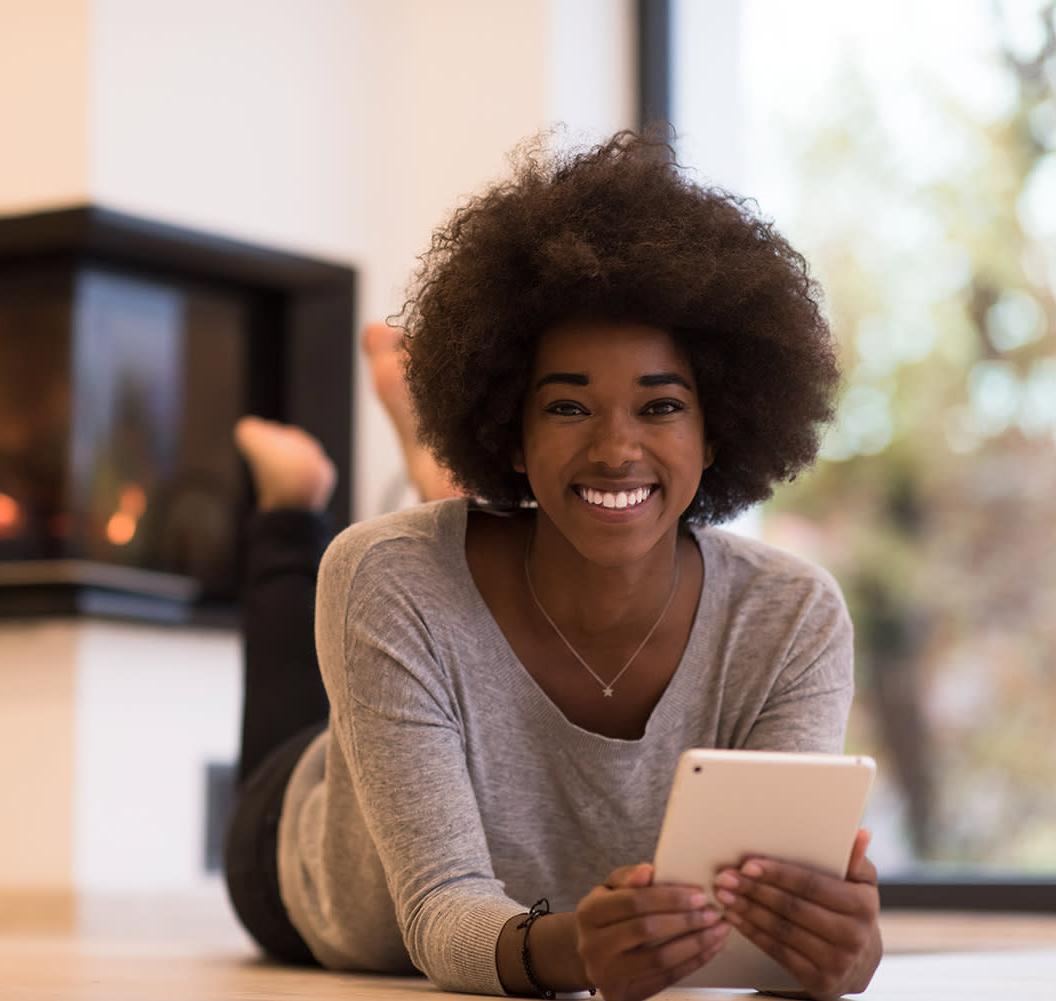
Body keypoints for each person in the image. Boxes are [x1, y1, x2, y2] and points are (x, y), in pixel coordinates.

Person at [224, 129, 880, 1001]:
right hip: (306, 865)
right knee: (316, 650)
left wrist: (831, 952)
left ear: (716, 427)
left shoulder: (790, 616)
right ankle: (289, 503)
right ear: (510, 425)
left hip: (474, 592)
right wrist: (569, 952)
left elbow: (762, 933)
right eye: (567, 404)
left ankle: (436, 479)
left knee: (450, 555)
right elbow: (436, 912)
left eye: (661, 406)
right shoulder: (389, 576)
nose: (617, 447)